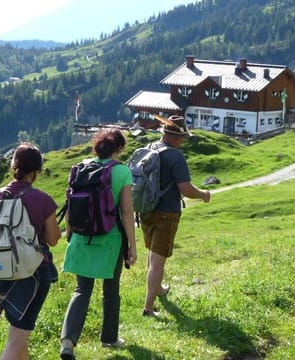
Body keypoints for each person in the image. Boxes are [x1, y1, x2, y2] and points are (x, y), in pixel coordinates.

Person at [0, 142, 61, 360]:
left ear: (14, 165)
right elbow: (52, 240)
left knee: (17, 331)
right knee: (18, 337)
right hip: (32, 273)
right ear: (37, 171)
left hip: (1, 272)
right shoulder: (43, 200)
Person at [60, 129, 137, 360]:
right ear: (119, 148)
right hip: (110, 238)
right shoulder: (122, 171)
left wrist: (70, 232)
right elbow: (126, 211)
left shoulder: (80, 168)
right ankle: (110, 338)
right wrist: (132, 246)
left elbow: (70, 202)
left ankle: (67, 342)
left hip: (83, 237)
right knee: (111, 290)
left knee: (82, 289)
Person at [141, 115, 211, 317]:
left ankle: (159, 289)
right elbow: (186, 189)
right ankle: (148, 308)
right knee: (158, 261)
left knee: (154, 255)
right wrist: (203, 195)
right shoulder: (175, 157)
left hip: (145, 209)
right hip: (167, 213)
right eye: (181, 138)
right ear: (174, 137)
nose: (182, 142)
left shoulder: (150, 148)